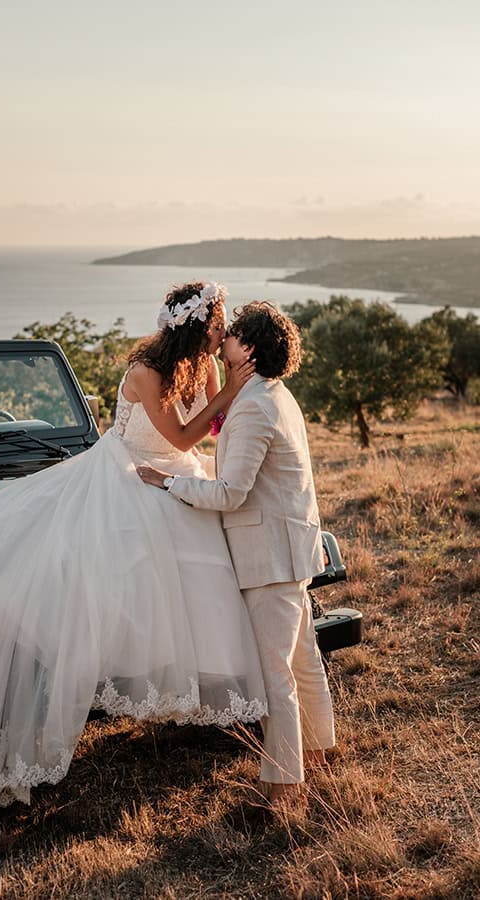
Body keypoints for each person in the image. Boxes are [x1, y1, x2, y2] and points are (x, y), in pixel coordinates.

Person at [0, 282, 267, 868]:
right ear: (196, 324)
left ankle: (220, 691)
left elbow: (209, 434)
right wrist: (227, 394)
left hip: (176, 477)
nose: (224, 328)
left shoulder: (206, 363)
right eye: (217, 320)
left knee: (200, 556)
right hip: (128, 477)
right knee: (105, 566)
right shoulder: (143, 370)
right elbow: (181, 434)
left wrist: (238, 398)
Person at [138, 301, 335, 804]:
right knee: (302, 659)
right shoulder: (274, 395)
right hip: (290, 548)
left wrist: (169, 482)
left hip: (268, 556)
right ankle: (317, 753)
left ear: (247, 348)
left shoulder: (252, 406)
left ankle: (283, 789)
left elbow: (230, 493)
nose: (221, 337)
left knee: (275, 676)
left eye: (232, 334)